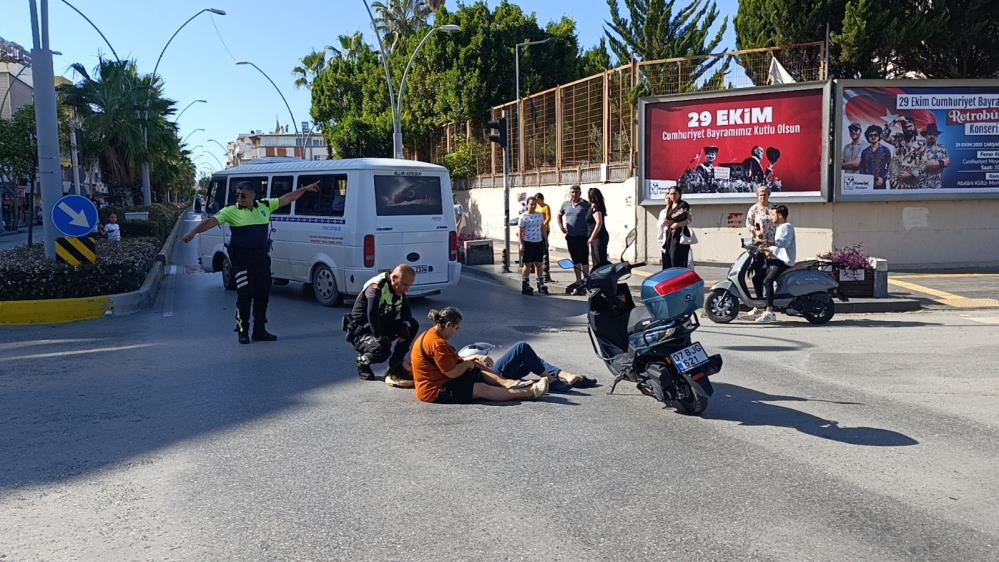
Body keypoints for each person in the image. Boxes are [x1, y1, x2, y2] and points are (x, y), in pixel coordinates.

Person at [183, 179, 319, 343]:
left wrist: (304, 188)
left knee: (263, 295)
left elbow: (287, 198)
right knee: (245, 295)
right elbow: (210, 222)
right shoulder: (230, 211)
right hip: (241, 260)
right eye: (237, 195)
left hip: (261, 259)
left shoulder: (265, 206)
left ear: (253, 194)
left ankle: (259, 331)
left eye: (243, 195)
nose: (239, 198)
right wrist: (193, 232)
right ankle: (243, 331)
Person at [411, 307, 549, 403]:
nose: (457, 333)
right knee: (480, 389)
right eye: (456, 328)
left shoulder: (432, 335)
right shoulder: (437, 343)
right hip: (434, 390)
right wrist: (467, 363)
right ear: (448, 325)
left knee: (475, 365)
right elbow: (451, 373)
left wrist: (471, 360)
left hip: (440, 380)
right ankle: (530, 391)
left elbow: (450, 363)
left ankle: (507, 383)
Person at [346, 264, 420, 386]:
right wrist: (379, 337)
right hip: (362, 331)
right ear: (394, 278)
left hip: (382, 325)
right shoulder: (375, 288)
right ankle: (361, 362)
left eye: (410, 286)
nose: (407, 289)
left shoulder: (398, 287)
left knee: (413, 325)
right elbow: (372, 314)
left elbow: (406, 310)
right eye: (405, 285)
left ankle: (395, 364)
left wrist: (405, 326)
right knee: (381, 351)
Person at [754, 205, 795, 324]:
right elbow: (777, 247)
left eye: (773, 214)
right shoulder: (780, 227)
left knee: (768, 281)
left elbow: (783, 244)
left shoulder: (787, 227)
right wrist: (766, 249)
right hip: (778, 259)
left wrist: (766, 243)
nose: (771, 217)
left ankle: (769, 311)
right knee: (758, 277)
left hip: (785, 261)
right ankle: (761, 305)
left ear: (780, 215)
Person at [744, 185, 774, 308]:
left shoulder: (773, 208)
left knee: (770, 274)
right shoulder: (754, 208)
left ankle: (770, 302)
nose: (762, 197)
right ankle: (759, 301)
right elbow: (748, 223)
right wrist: (755, 232)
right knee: (758, 275)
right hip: (759, 246)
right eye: (760, 195)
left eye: (764, 195)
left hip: (772, 245)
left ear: (769, 195)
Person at [557, 185, 591, 287]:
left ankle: (586, 280)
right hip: (571, 236)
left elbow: (592, 218)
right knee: (575, 259)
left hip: (583, 236)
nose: (574, 194)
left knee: (584, 259)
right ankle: (578, 280)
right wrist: (561, 227)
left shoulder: (585, 205)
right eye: (572, 192)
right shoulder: (565, 204)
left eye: (576, 192)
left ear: (580, 193)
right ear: (569, 193)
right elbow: (559, 215)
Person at [518, 197, 548, 296]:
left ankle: (540, 283)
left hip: (538, 242)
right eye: (531, 204)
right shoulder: (523, 217)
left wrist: (546, 240)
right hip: (528, 242)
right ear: (527, 204)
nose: (533, 206)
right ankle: (525, 283)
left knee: (538, 264)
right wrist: (521, 244)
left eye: (535, 204)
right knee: (527, 264)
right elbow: (520, 231)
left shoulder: (539, 216)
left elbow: (542, 228)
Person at [656, 186, 691, 269]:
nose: (673, 196)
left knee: (676, 260)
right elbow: (668, 219)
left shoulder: (684, 205)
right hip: (669, 235)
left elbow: (689, 220)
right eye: (671, 194)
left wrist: (677, 224)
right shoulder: (669, 206)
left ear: (679, 194)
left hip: (680, 236)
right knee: (668, 260)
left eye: (675, 194)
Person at [887, 116, 926, 189]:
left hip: (913, 183)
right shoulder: (897, 139)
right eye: (905, 127)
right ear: (902, 128)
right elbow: (883, 135)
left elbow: (924, 163)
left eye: (910, 126)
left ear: (914, 126)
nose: (908, 129)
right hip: (896, 182)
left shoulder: (921, 144)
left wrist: (911, 174)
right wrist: (895, 121)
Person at [918, 123, 950, 189]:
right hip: (923, 187)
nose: (932, 136)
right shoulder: (920, 148)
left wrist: (935, 163)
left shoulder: (942, 148)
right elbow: (926, 164)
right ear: (925, 135)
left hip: (938, 186)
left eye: (934, 134)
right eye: (930, 134)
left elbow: (947, 163)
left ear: (937, 136)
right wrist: (941, 163)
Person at [859, 125, 891, 189]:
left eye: (875, 135)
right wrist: (864, 180)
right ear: (868, 137)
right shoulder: (864, 152)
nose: (873, 137)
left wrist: (883, 178)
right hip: (867, 184)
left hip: (881, 183)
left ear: (878, 136)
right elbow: (862, 168)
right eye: (871, 135)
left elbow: (890, 167)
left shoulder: (886, 150)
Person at [586, 187, 610, 269]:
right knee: (596, 260)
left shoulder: (596, 208)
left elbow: (599, 223)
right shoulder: (593, 207)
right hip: (596, 238)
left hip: (598, 237)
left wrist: (591, 238)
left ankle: (602, 280)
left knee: (599, 260)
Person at [533, 192, 552, 282]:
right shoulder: (536, 207)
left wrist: (543, 225)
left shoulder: (545, 207)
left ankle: (545, 270)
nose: (537, 202)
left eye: (538, 200)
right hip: (536, 230)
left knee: (544, 248)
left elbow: (548, 218)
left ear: (541, 199)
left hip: (544, 229)